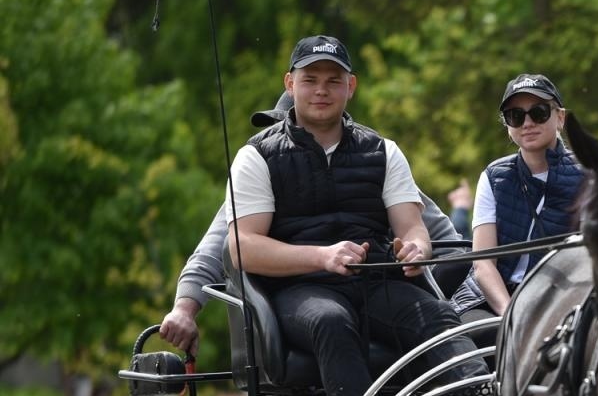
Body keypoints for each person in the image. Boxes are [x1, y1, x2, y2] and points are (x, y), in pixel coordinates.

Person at [222, 35, 486, 396]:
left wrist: (417, 250)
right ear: (290, 84)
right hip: (300, 290)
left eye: (334, 80)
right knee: (331, 321)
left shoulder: (383, 151)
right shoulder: (257, 156)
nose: (322, 90)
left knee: (438, 316)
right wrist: (322, 257)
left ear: (351, 86)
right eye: (310, 80)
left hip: (376, 282)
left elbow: (413, 229)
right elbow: (242, 247)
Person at [158, 93, 467, 355]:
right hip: (301, 303)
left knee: (431, 316)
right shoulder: (260, 178)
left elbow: (443, 239)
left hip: (377, 292)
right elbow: (218, 248)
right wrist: (184, 308)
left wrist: (420, 265)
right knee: (330, 321)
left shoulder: (369, 170)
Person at [451, 73, 585, 336]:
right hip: (490, 300)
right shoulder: (493, 176)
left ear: (560, 117)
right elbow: (483, 264)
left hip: (561, 300)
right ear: (507, 125)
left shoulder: (589, 176)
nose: (527, 123)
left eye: (539, 112)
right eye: (515, 116)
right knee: (470, 338)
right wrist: (509, 313)